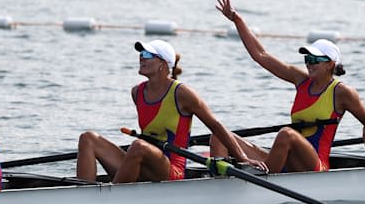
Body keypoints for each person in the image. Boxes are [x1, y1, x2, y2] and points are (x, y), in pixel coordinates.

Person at [213, 0, 365, 173]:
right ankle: (219, 187)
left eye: (315, 60)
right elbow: (261, 55)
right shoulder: (300, 79)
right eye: (307, 59)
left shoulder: (341, 92)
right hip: (289, 158)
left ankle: (263, 181)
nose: (309, 64)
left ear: (330, 64)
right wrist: (237, 19)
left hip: (316, 165)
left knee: (286, 134)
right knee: (220, 135)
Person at [75, 40, 265, 182]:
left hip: (170, 169)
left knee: (138, 146)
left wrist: (243, 158)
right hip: (142, 162)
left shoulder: (182, 93)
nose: (141, 58)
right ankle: (83, 195)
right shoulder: (137, 92)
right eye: (141, 54)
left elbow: (215, 125)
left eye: (148, 55)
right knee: (88, 138)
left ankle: (110, 200)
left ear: (163, 64)